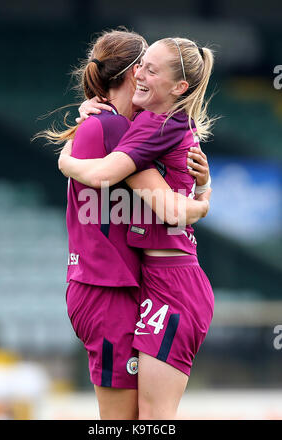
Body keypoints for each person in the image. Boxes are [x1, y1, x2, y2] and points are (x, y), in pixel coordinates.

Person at [36, 29, 211, 420]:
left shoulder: (125, 126)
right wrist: (202, 200)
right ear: (133, 73)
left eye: (155, 69)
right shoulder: (118, 128)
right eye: (144, 67)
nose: (147, 75)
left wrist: (202, 189)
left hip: (134, 284)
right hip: (109, 288)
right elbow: (169, 207)